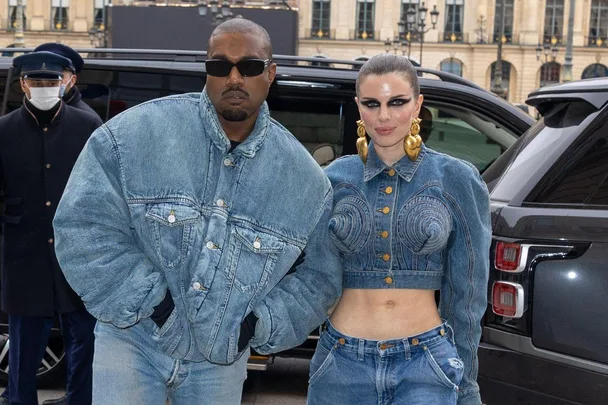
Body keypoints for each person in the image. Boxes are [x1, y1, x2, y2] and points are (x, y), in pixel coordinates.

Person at [52, 18, 342, 405]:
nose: (234, 78)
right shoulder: (133, 135)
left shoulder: (304, 180)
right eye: (219, 66)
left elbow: (319, 278)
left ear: (270, 74)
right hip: (130, 338)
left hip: (220, 361)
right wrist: (154, 305)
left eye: (250, 67)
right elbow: (82, 225)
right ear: (206, 71)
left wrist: (256, 325)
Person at [306, 54, 491, 405]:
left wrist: (466, 384)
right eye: (372, 104)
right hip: (341, 364)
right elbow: (313, 279)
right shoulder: (331, 180)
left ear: (418, 104)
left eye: (398, 102)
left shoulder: (456, 179)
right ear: (358, 106)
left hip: (426, 364)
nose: (384, 116)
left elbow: (467, 296)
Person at [0, 51, 102, 405]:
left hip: (78, 257)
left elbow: (102, 192)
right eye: (37, 82)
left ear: (65, 83)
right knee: (23, 350)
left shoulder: (87, 127)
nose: (44, 88)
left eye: (51, 82)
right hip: (24, 256)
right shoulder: (4, 129)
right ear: (24, 85)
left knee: (86, 344)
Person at [34, 43, 99, 118]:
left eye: (57, 76)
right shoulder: (25, 112)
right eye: (43, 76)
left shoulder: (87, 121)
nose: (47, 82)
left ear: (72, 80)